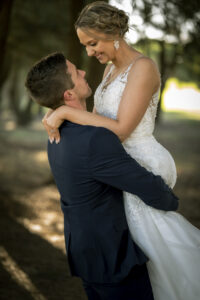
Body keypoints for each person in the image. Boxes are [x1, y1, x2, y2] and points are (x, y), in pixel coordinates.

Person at [43, 2, 200, 300]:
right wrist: (62, 113)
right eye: (85, 46)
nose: (89, 52)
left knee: (157, 247)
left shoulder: (143, 68)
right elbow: (98, 121)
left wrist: (66, 111)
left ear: (113, 33)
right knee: (138, 247)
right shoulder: (110, 70)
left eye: (93, 43)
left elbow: (121, 129)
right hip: (116, 163)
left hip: (141, 160)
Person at [25, 52, 179, 300]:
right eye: (76, 73)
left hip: (85, 256)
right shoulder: (95, 139)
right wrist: (171, 202)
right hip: (114, 260)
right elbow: (149, 188)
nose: (84, 72)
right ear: (69, 95)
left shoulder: (55, 134)